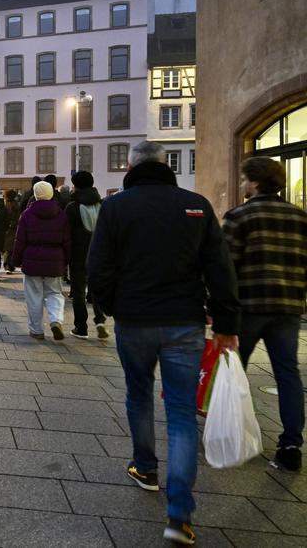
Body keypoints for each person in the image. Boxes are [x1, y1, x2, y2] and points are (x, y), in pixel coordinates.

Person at [88, 141, 240, 546]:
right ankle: (179, 516)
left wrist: (111, 305)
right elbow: (220, 268)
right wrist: (226, 321)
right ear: (165, 166)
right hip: (185, 322)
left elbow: (98, 266)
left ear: (132, 167)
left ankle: (145, 467)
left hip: (135, 320)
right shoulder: (196, 205)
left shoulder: (117, 207)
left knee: (138, 394)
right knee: (180, 413)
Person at [223, 157, 307, 473]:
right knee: (288, 373)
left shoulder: (240, 216)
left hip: (249, 306)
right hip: (288, 306)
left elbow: (226, 267)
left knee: (235, 370)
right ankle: (291, 444)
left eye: (245, 179)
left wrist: (216, 308)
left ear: (255, 183)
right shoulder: (300, 217)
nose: (243, 184)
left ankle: (234, 433)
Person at [12, 180, 70, 340]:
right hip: (55, 260)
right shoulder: (61, 214)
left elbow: (20, 240)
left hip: (32, 260)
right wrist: (67, 260)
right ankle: (56, 320)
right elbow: (67, 241)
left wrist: (16, 260)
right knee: (55, 293)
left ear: (36, 195)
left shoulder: (27, 215)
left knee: (34, 296)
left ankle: (36, 330)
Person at [65, 171, 107, 339]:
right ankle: (100, 320)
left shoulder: (72, 207)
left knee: (78, 291)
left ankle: (81, 327)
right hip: (99, 252)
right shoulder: (103, 205)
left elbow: (67, 234)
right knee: (96, 288)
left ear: (76, 186)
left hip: (79, 253)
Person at [3, 189, 20, 273]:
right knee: (11, 248)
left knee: (7, 248)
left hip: (5, 228)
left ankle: (7, 265)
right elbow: (18, 217)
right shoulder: (16, 204)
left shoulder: (4, 204)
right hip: (14, 228)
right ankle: (10, 265)